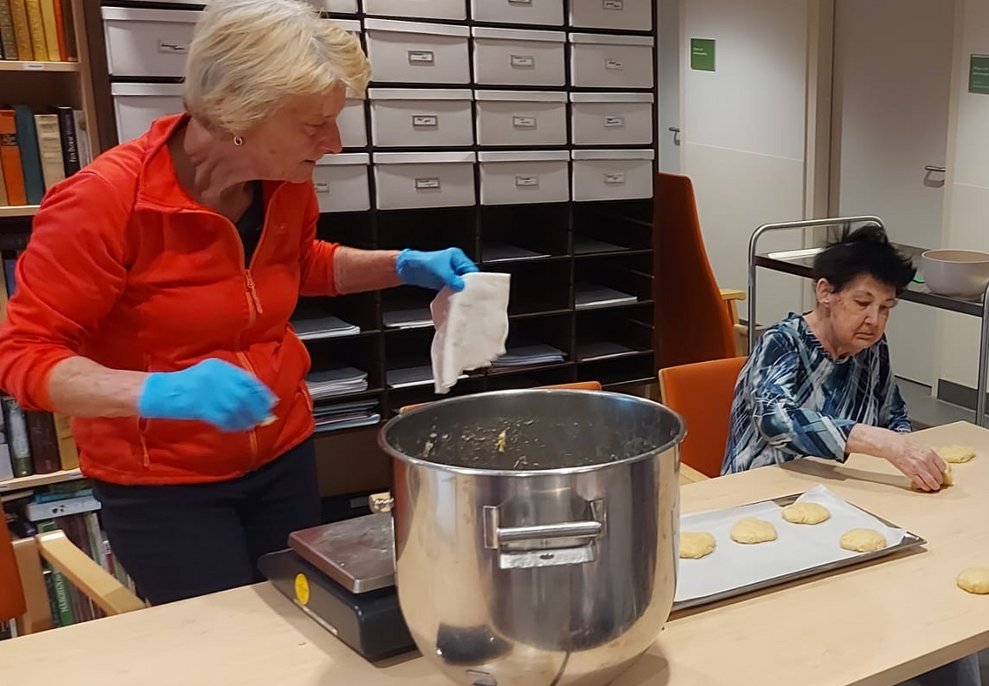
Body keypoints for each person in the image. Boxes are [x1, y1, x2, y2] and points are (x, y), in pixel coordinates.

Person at [0, 0, 477, 605]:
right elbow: (25, 358)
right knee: (226, 646)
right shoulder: (102, 205)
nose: (334, 142)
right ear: (237, 115)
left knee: (303, 615)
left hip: (284, 454)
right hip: (166, 485)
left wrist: (403, 265)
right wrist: (158, 393)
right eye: (314, 125)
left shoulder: (283, 185)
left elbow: (299, 264)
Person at [722, 225, 981, 686]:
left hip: (850, 506)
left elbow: (895, 415)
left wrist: (903, 448)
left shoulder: (871, 349)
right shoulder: (781, 344)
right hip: (772, 507)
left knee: (939, 603)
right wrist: (878, 442)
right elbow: (777, 421)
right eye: (863, 303)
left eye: (886, 308)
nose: (875, 321)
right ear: (826, 292)